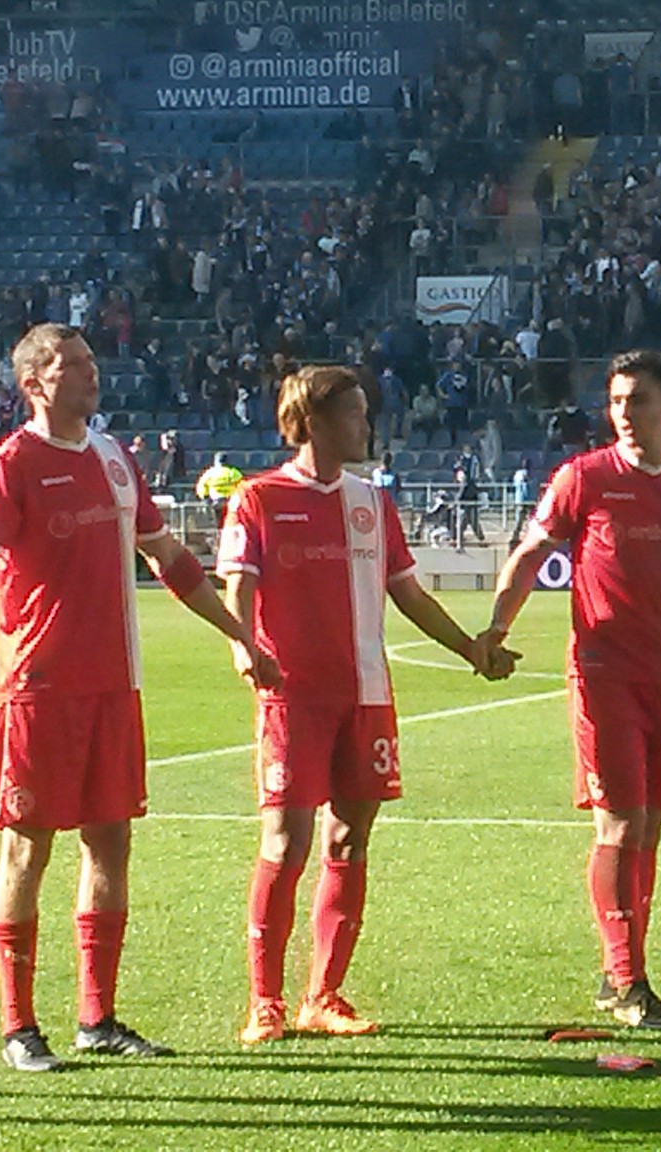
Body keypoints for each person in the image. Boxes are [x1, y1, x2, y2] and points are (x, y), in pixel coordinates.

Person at [0, 324, 279, 1071]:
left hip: (113, 685)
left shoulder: (114, 458)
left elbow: (167, 558)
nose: (91, 375)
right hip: (39, 688)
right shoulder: (8, 467)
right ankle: (17, 1025)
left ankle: (96, 1017)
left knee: (110, 842)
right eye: (74, 365)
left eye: (93, 362)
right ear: (35, 381)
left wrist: (240, 632)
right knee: (26, 847)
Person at [483, 350, 661, 1030]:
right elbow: (532, 554)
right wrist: (498, 624)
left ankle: (619, 965)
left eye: (638, 399)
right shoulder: (584, 477)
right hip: (604, 674)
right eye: (616, 401)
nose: (624, 413)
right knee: (622, 823)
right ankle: (628, 981)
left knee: (651, 833)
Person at [217, 366, 503, 1045]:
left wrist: (470, 648)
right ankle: (265, 1000)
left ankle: (324, 995)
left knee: (350, 838)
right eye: (355, 413)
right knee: (284, 845)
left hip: (367, 697)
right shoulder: (259, 499)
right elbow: (238, 585)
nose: (366, 425)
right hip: (294, 699)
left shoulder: (373, 502)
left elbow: (407, 592)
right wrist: (241, 646)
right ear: (314, 421)